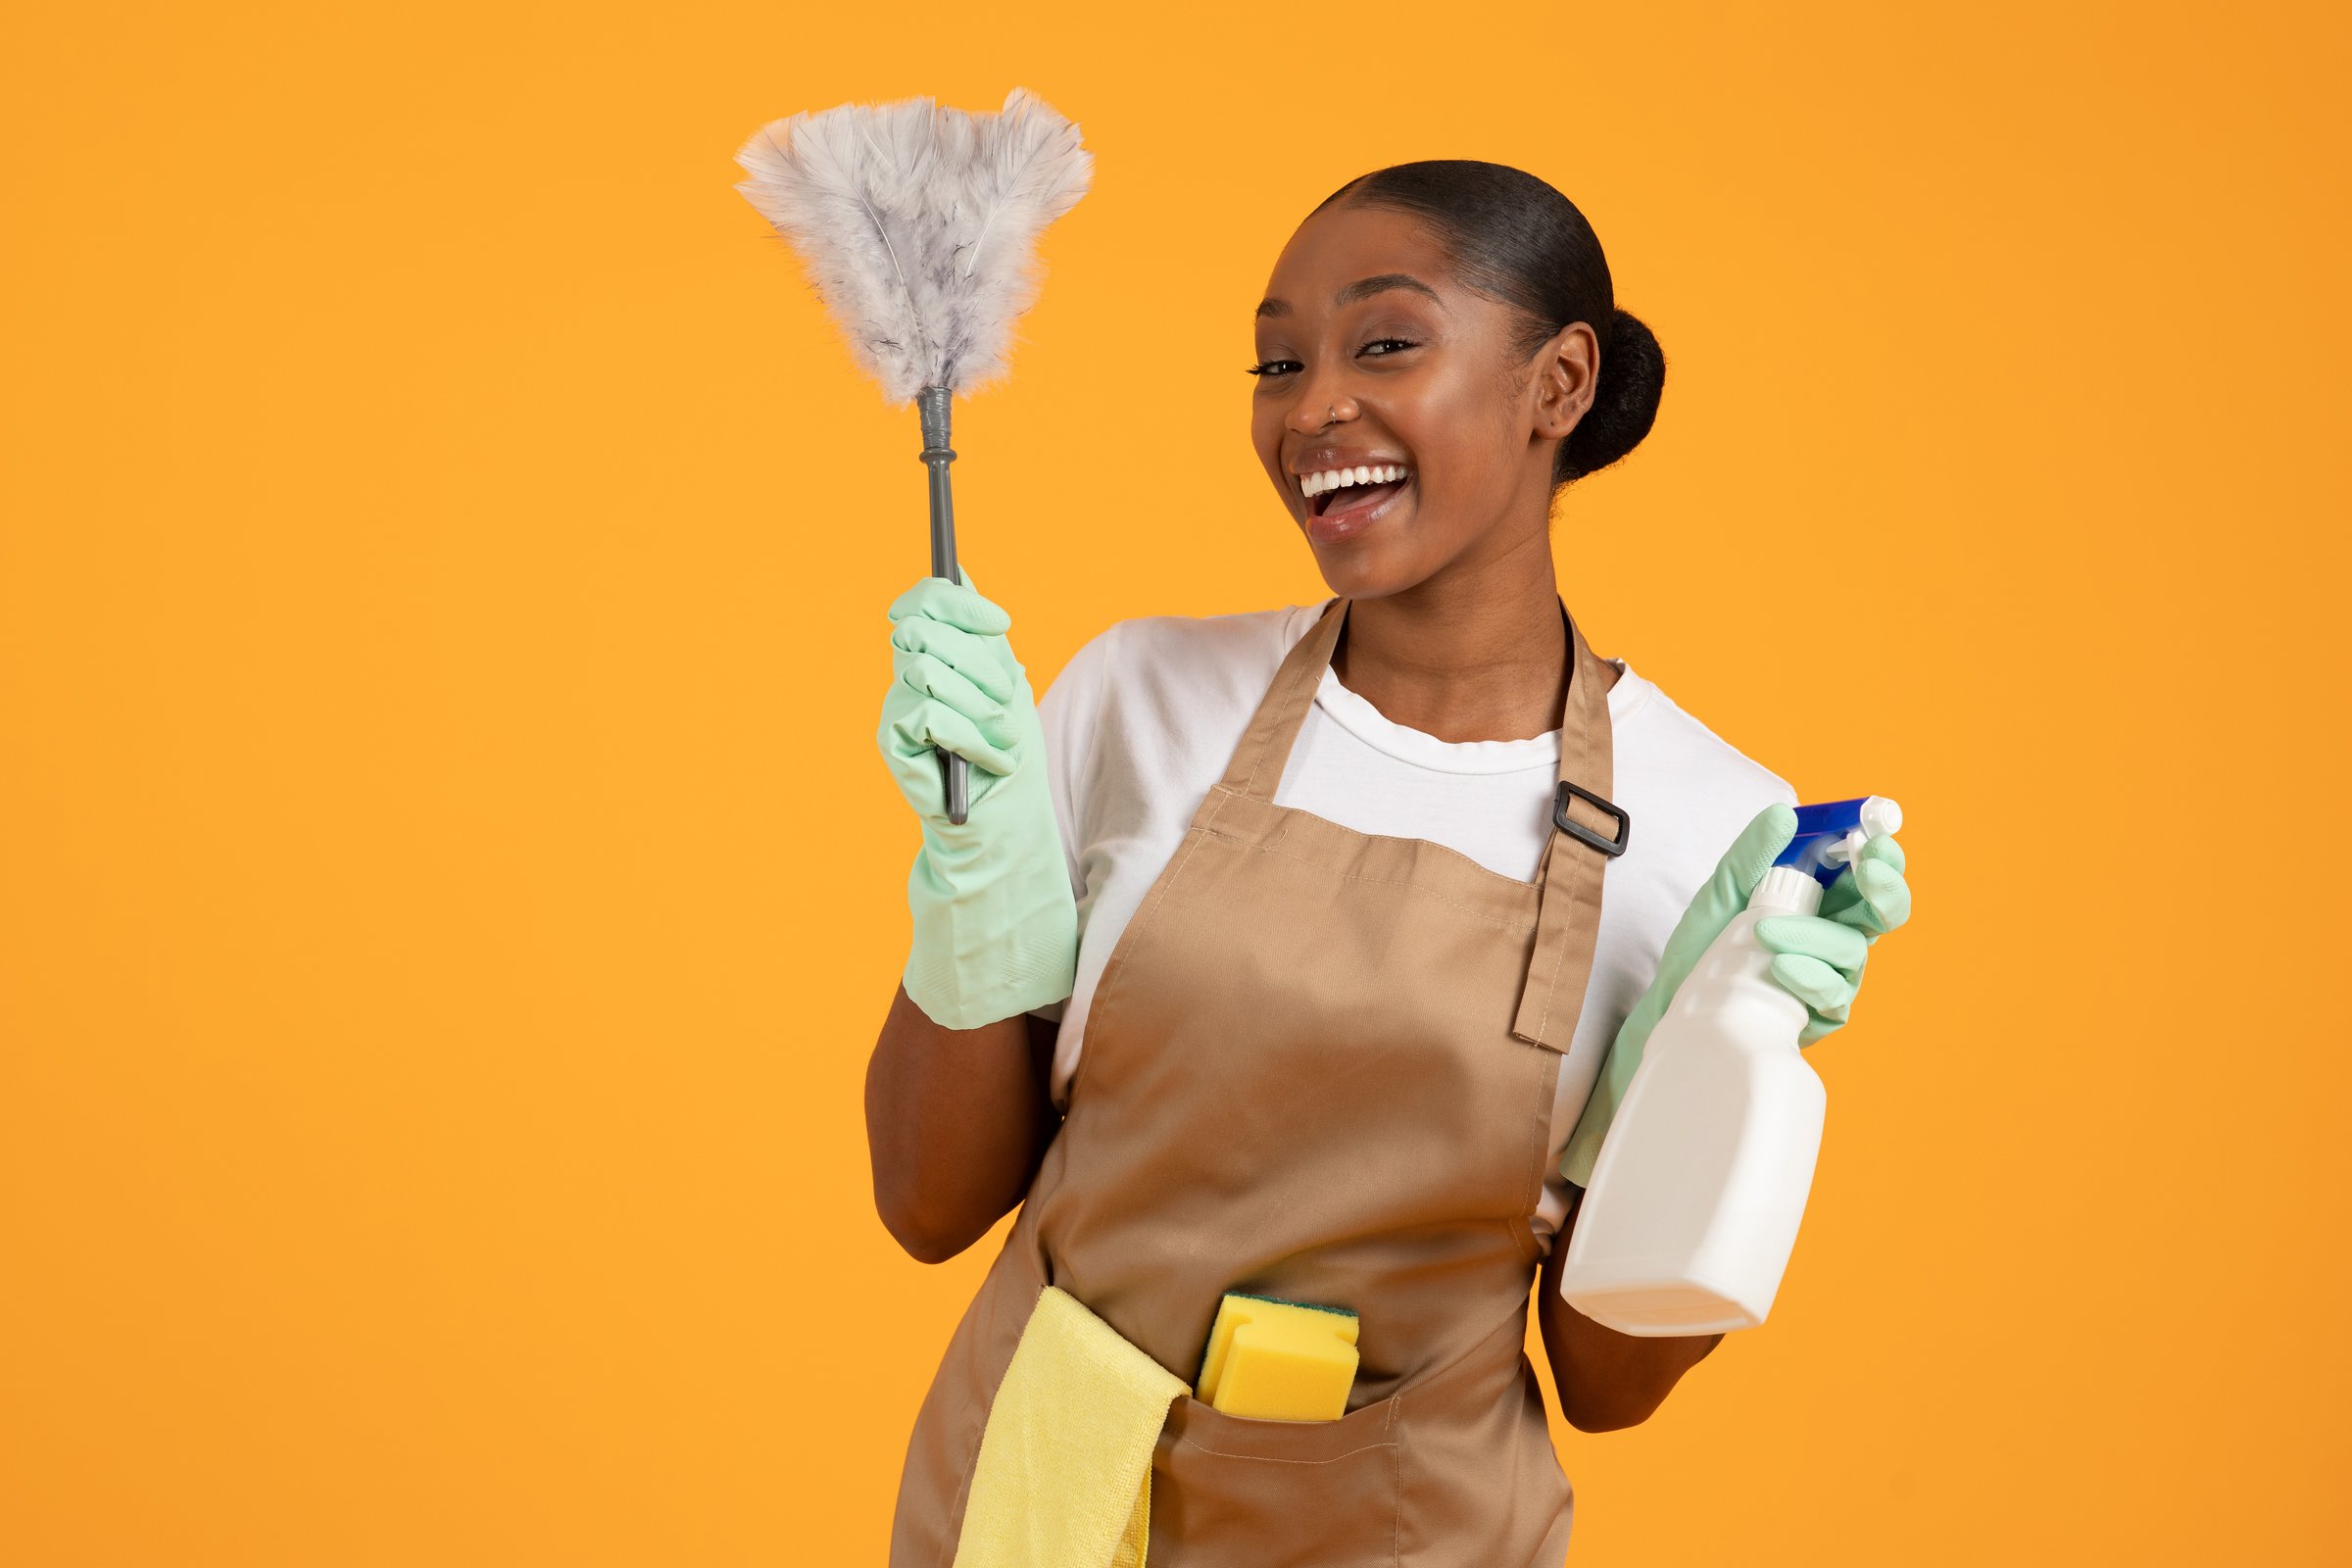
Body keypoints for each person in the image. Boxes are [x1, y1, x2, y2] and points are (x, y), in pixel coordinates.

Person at [866, 160, 1914, 1565]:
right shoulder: (1142, 697)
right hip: (1044, 1514)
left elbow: (1606, 1385)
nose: (1310, 410)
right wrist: (970, 875)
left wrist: (1697, 1086)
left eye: (1385, 344)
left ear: (1558, 384)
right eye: (1278, 360)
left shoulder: (1709, 823)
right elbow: (928, 1207)